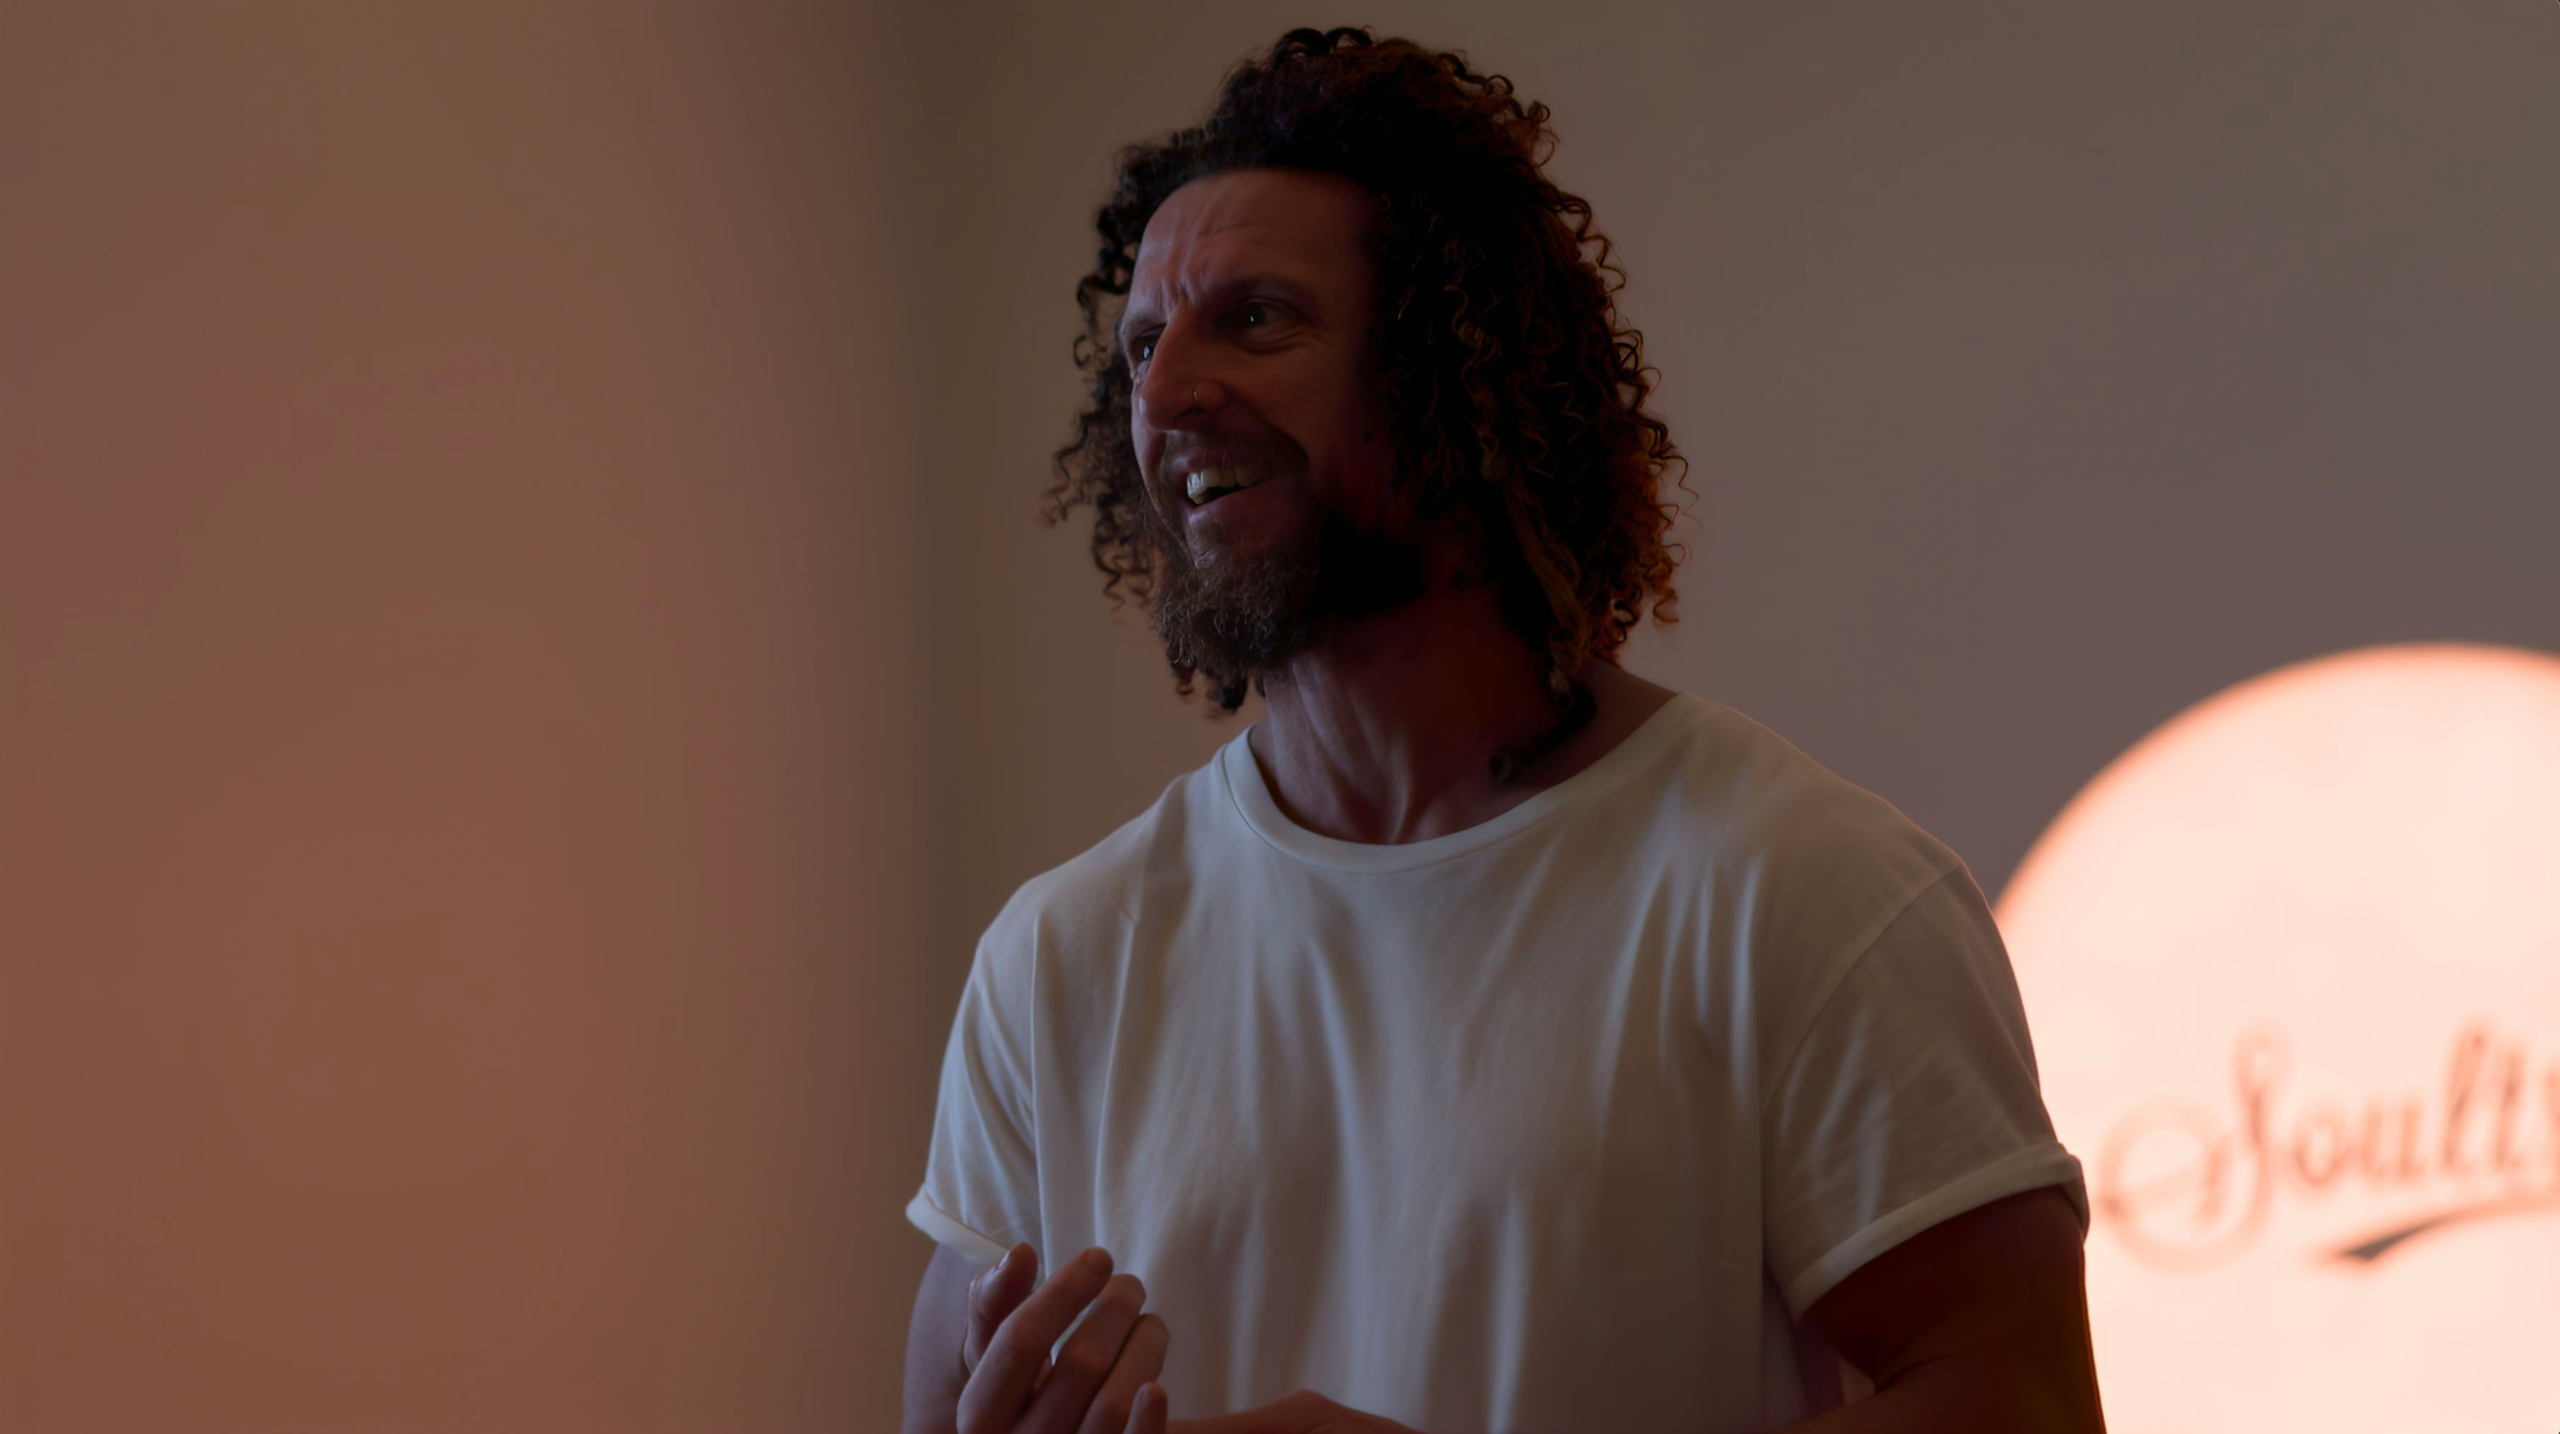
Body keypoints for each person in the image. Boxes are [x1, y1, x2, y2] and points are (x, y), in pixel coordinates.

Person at [901, 26, 2104, 1434]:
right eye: (1144, 347)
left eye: (1257, 319)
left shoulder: (1805, 890)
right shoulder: (1057, 961)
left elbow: (2023, 1398)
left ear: (1447, 371)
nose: (1163, 397)